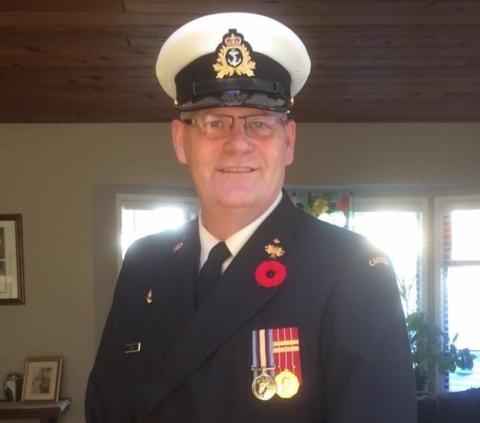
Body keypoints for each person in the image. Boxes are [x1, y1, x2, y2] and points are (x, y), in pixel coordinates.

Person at [86, 12, 416, 423]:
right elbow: (106, 408)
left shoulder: (351, 269)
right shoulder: (144, 265)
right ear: (181, 140)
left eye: (259, 123)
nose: (238, 143)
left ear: (288, 142)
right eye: (214, 123)